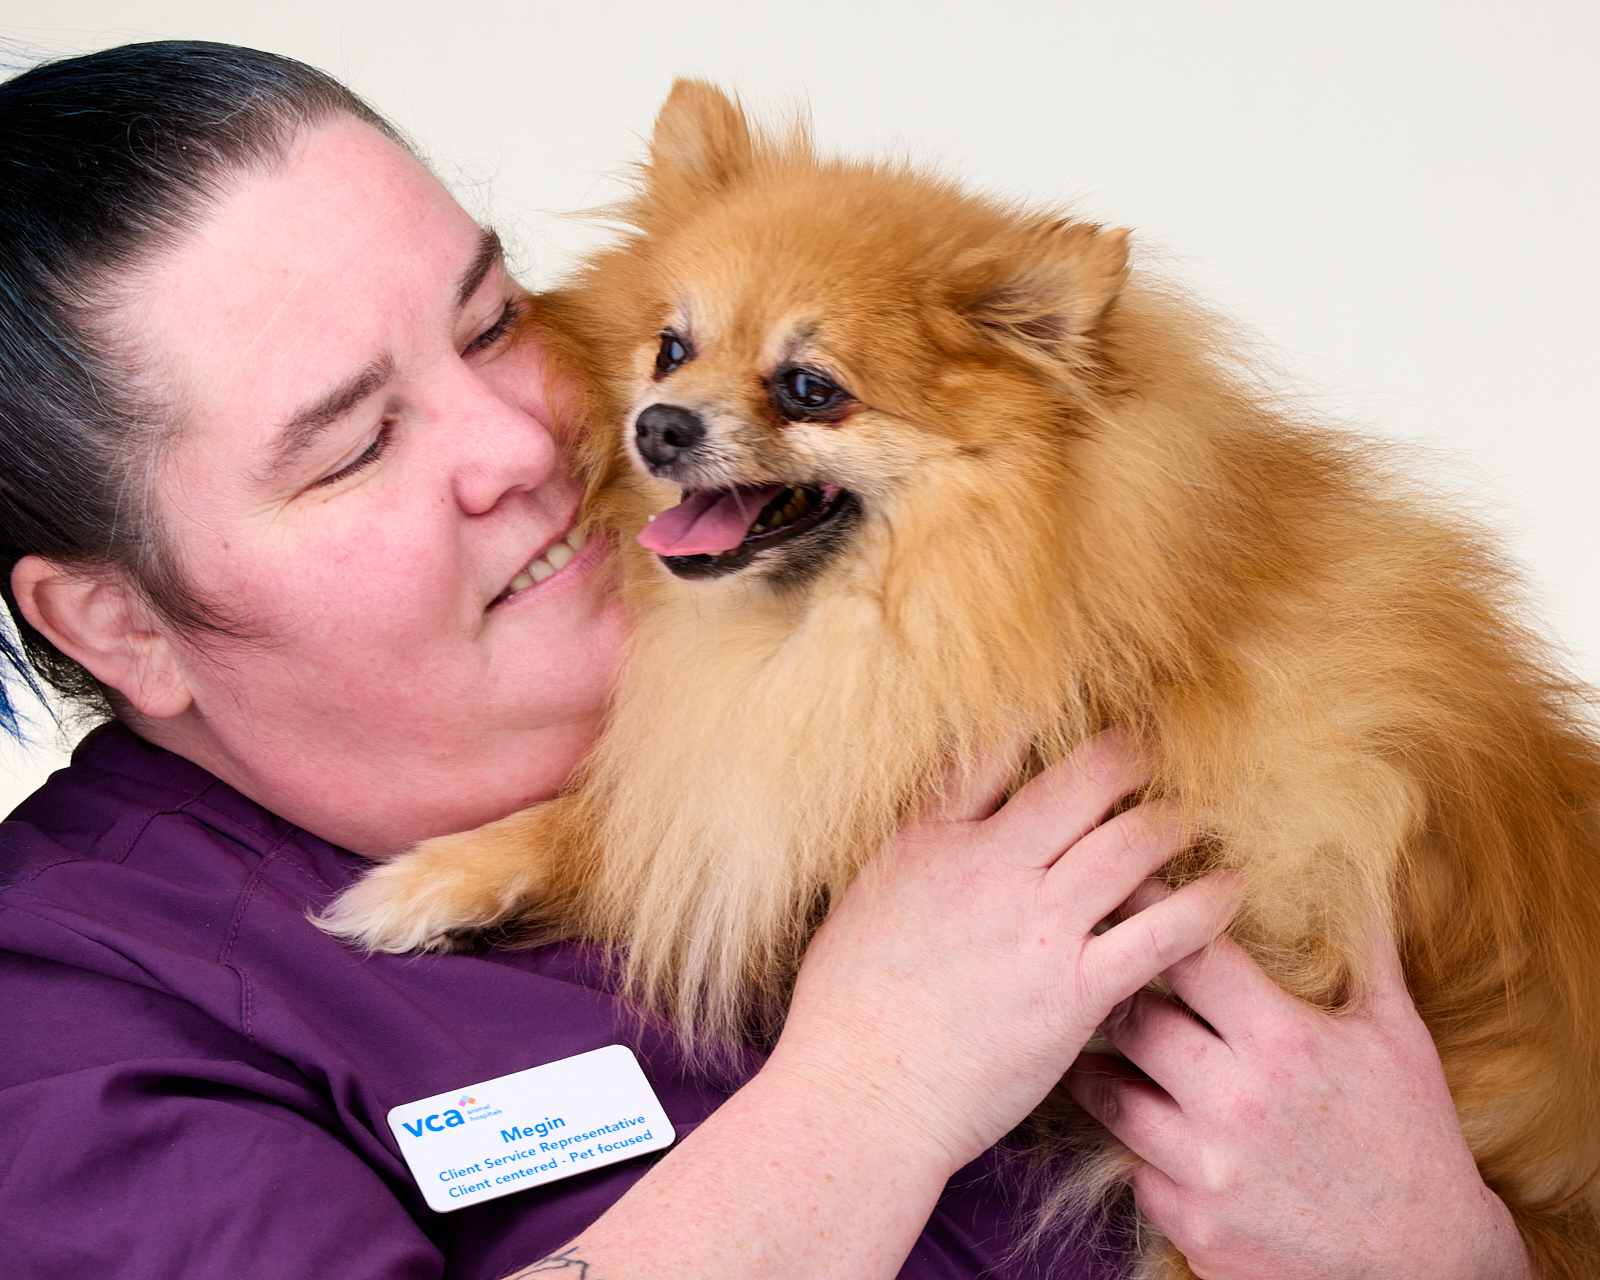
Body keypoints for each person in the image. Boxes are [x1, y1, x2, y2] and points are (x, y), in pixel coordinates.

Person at [0, 41, 1534, 1280]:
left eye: (485, 324)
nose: (529, 439)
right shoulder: (69, 1024)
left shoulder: (904, 673)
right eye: (354, 448)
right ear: (116, 624)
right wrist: (870, 1089)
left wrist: (1447, 1259)